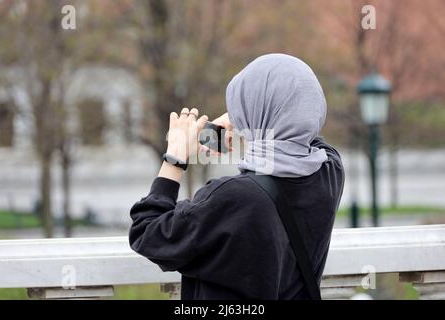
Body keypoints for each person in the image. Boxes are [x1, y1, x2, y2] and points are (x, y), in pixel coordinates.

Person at [129, 53, 344, 300]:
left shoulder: (235, 197)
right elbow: (304, 131)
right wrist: (241, 119)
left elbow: (147, 232)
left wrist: (175, 159)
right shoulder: (330, 173)